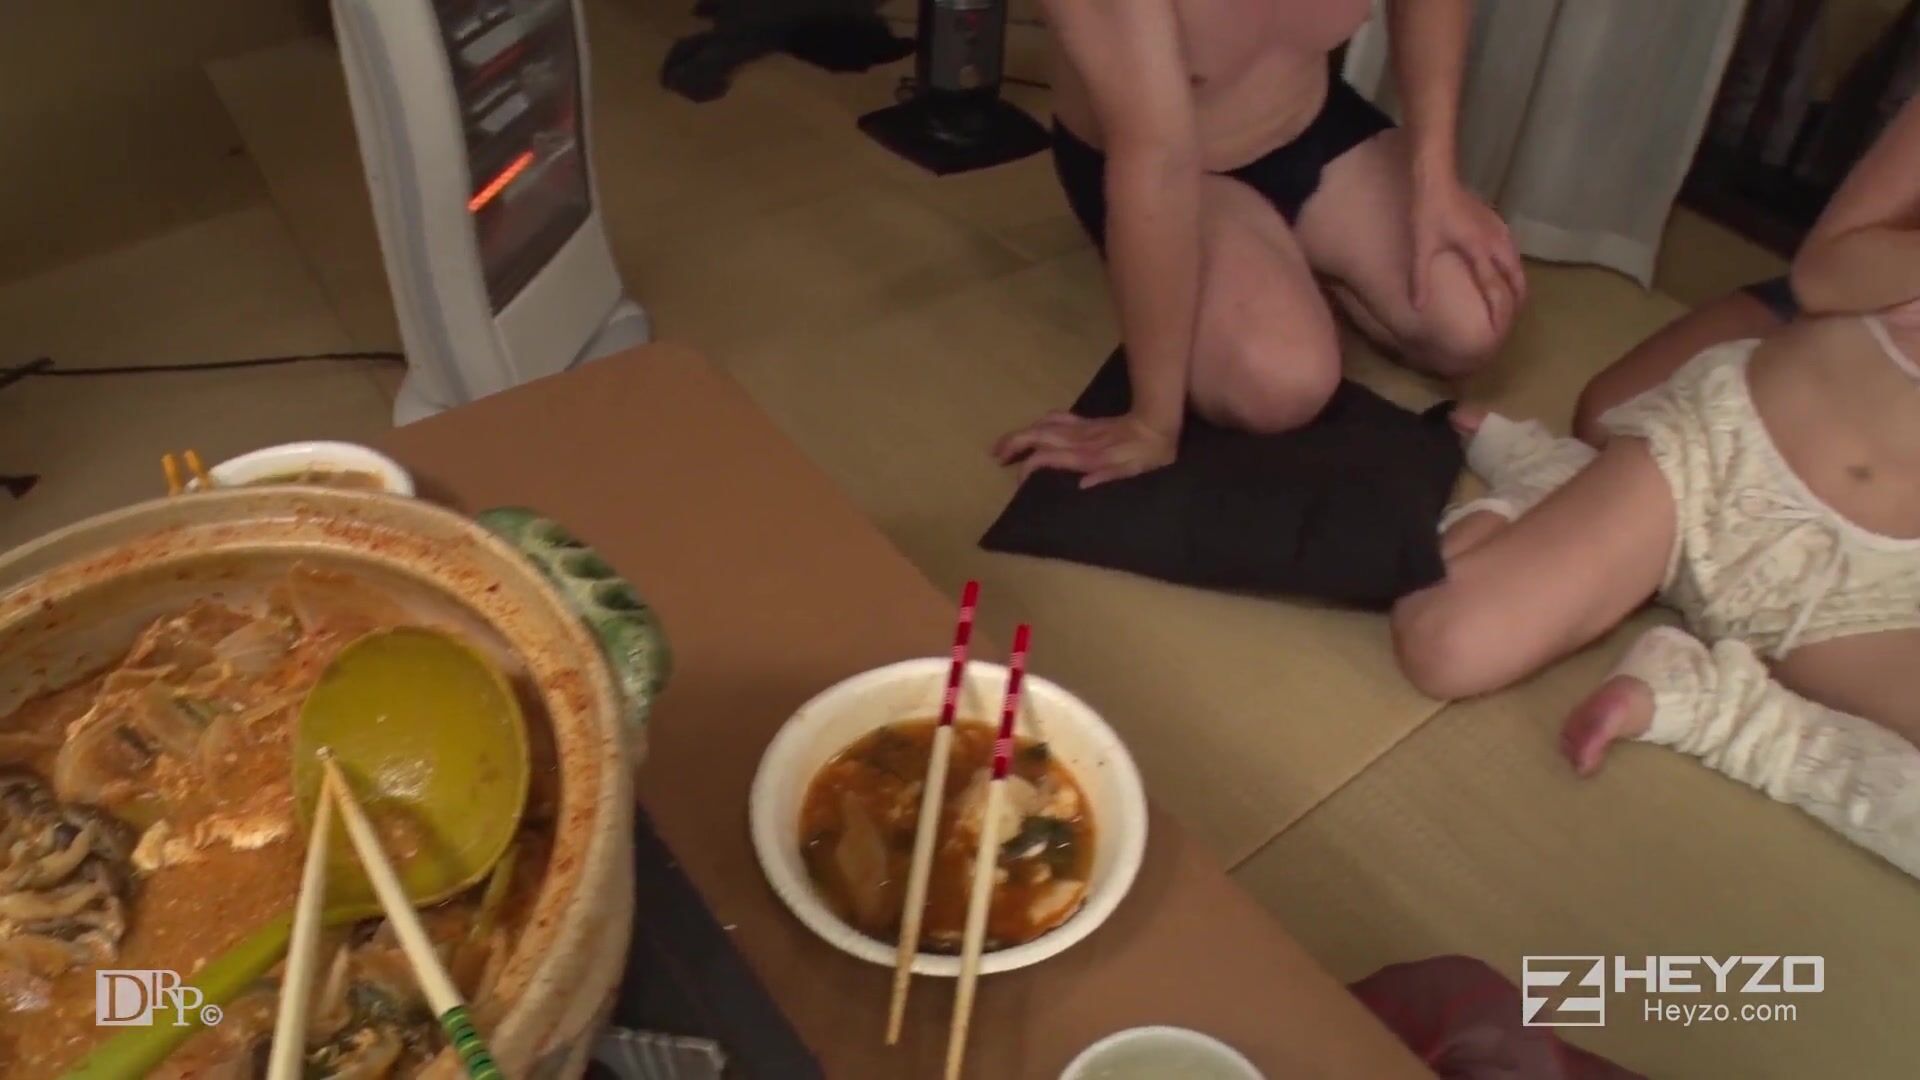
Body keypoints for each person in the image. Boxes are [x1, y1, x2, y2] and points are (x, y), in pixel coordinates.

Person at [1388, 94, 1920, 878]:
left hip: (1873, 589)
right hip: (1727, 455)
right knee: (1447, 646)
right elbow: (1822, 271)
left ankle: (1713, 708)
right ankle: (1552, 485)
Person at [993, 0, 1526, 489]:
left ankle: (1293, 260)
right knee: (1281, 385)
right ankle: (1271, 267)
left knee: (1472, 323)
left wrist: (1437, 185)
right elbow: (1157, 160)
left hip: (1310, 123)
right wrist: (1152, 421)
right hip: (1176, 171)